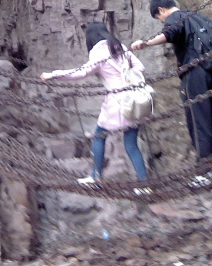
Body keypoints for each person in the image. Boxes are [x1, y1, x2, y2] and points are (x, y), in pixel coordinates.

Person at [40, 22, 149, 185]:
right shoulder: (120, 47)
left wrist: (53, 75)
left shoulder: (98, 52)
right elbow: (141, 68)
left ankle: (96, 177)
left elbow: (82, 72)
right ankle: (145, 184)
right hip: (135, 99)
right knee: (131, 144)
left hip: (117, 102)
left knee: (99, 136)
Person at [132, 0, 212, 159]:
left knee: (199, 120)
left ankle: (206, 168)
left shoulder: (174, 17)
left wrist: (147, 43)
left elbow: (170, 33)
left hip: (194, 74)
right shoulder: (195, 16)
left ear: (161, 10)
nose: (161, 22)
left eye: (159, 18)